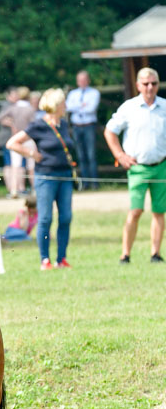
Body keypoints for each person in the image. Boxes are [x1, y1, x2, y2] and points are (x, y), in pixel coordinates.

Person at [7, 88, 75, 270]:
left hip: (65, 176)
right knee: (45, 218)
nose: (65, 106)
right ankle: (45, 259)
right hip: (46, 177)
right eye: (63, 102)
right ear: (55, 105)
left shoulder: (64, 125)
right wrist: (32, 154)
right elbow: (12, 143)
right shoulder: (38, 125)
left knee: (66, 217)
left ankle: (62, 258)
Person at [103, 67, 166, 264]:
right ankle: (125, 254)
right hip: (137, 167)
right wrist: (119, 155)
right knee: (136, 210)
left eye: (153, 83)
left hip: (161, 165)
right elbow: (110, 131)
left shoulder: (164, 106)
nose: (150, 87)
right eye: (146, 83)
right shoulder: (129, 107)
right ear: (138, 85)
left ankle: (155, 253)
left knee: (159, 211)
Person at [0, 87, 35, 197]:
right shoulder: (30, 109)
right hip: (28, 138)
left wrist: (11, 124)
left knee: (15, 166)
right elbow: (34, 124)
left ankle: (13, 190)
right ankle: (34, 189)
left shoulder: (13, 108)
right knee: (31, 166)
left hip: (16, 138)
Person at [66, 70, 101, 190]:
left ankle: (95, 183)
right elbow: (68, 107)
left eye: (84, 79)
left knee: (91, 155)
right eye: (80, 80)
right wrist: (82, 105)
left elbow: (91, 109)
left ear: (88, 80)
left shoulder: (94, 93)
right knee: (81, 156)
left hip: (89, 125)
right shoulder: (73, 94)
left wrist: (77, 107)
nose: (82, 82)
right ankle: (85, 183)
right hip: (77, 126)